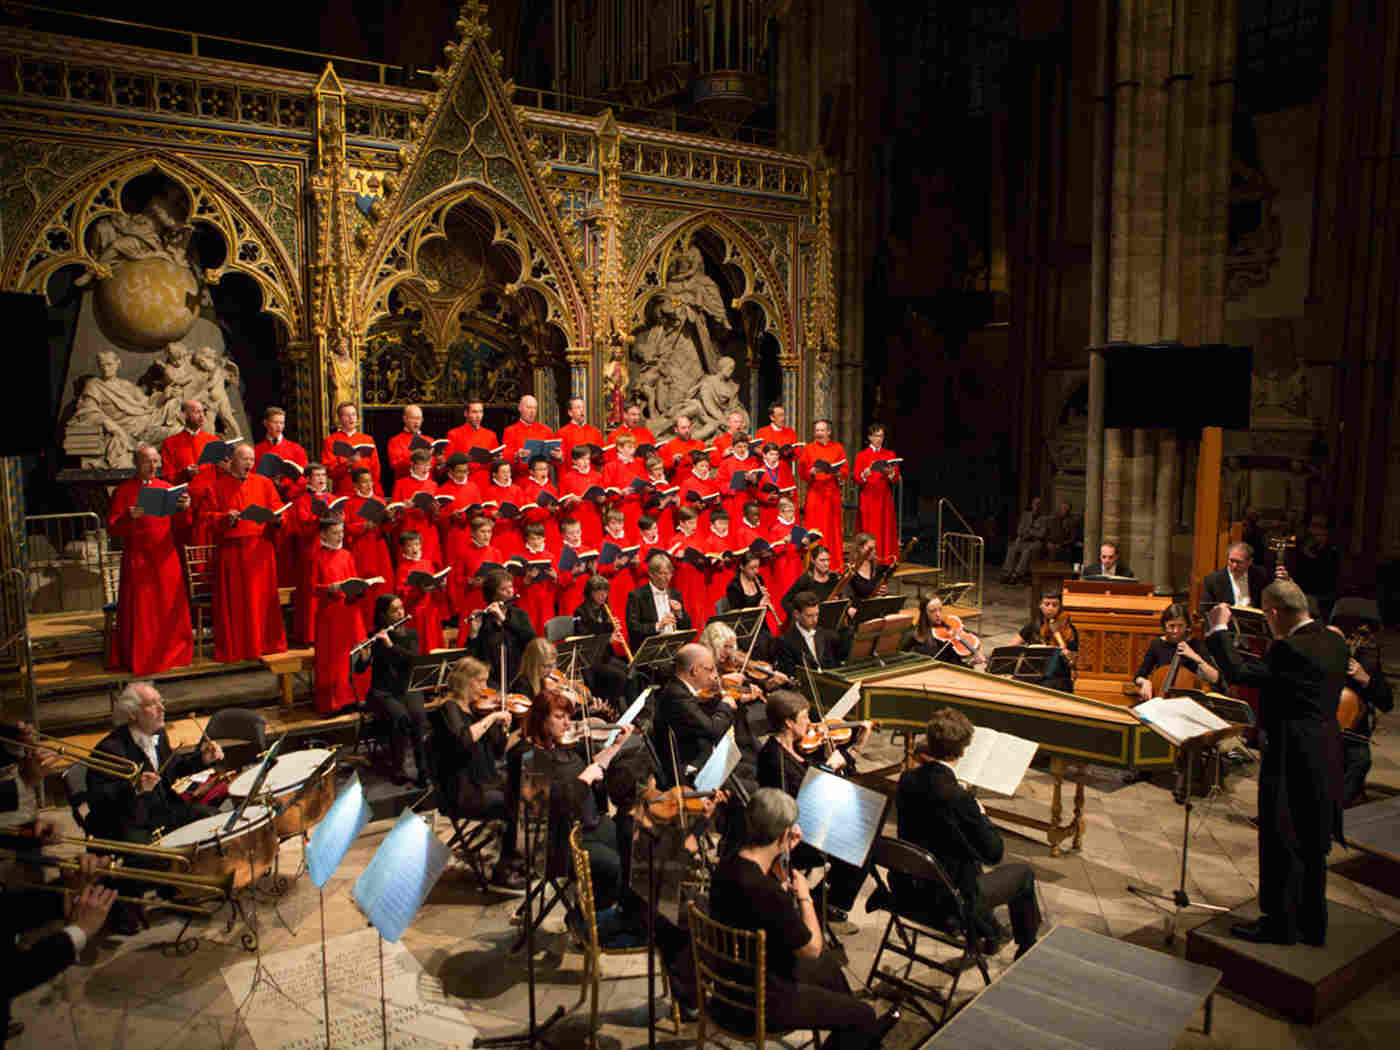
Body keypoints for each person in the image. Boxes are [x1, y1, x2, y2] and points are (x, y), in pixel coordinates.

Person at [1204, 582, 1348, 946]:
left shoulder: (1289, 648)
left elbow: (1240, 675)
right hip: (1328, 750)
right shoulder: (1335, 641)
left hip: (1291, 752)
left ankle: (1279, 925)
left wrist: (1218, 630)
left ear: (1273, 613)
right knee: (1314, 841)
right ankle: (1313, 924)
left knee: (1281, 836)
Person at [708, 789, 896, 1050]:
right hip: (763, 1001)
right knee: (863, 1015)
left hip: (727, 989)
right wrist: (806, 898)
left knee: (830, 969)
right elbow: (812, 949)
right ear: (783, 834)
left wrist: (784, 851)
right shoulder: (768, 893)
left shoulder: (727, 866)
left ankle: (862, 1042)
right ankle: (863, 1034)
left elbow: (762, 905)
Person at [895, 708, 1043, 958]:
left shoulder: (907, 780)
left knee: (963, 857)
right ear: (963, 751)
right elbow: (994, 853)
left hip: (911, 890)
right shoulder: (959, 798)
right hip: (950, 900)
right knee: (1023, 875)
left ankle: (989, 930)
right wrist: (981, 815)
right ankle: (1027, 951)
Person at [87, 681, 224, 931]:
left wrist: (201, 759)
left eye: (161, 702)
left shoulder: (158, 737)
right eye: (152, 705)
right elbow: (100, 803)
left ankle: (188, 885)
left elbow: (171, 771)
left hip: (162, 809)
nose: (162, 708)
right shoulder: (109, 750)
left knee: (210, 819)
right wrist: (135, 790)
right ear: (132, 713)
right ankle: (131, 903)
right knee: (145, 853)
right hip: (128, 820)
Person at [757, 691, 873, 923]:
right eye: (805, 718)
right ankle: (824, 904)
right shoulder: (774, 758)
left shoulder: (796, 747)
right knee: (864, 849)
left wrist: (854, 748)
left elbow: (836, 771)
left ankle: (822, 898)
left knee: (867, 836)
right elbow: (805, 796)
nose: (811, 723)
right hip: (794, 837)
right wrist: (830, 769)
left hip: (813, 820)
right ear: (789, 723)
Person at [523, 687, 635, 911]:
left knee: (632, 844)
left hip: (587, 825)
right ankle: (589, 922)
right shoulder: (531, 756)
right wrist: (585, 779)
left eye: (568, 717)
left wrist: (616, 746)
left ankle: (622, 914)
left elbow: (595, 766)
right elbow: (551, 807)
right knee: (614, 865)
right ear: (540, 719)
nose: (567, 723)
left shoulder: (561, 746)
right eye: (559, 717)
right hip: (560, 842)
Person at [430, 656, 520, 886]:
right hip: (462, 789)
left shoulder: (475, 710)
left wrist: (520, 730)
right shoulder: (447, 709)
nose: (485, 688)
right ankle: (503, 870)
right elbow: (463, 741)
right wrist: (492, 718)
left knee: (526, 795)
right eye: (480, 682)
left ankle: (513, 858)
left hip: (484, 781)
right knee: (514, 806)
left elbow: (498, 750)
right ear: (465, 682)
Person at [105, 444, 194, 674]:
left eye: (156, 461)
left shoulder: (167, 488)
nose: (153, 466)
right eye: (147, 461)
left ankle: (173, 654)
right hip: (139, 558)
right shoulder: (124, 491)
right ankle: (143, 657)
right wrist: (129, 516)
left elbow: (182, 528)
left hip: (166, 557)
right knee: (143, 611)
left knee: (168, 608)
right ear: (137, 464)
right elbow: (113, 528)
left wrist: (184, 509)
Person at [204, 443, 287, 662]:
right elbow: (206, 519)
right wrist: (225, 518)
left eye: (252, 460)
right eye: (244, 459)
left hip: (260, 549)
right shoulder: (215, 486)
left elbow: (278, 509)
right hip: (232, 551)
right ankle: (238, 647)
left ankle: (266, 644)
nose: (249, 464)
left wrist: (278, 519)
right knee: (237, 603)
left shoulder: (264, 483)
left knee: (262, 601)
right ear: (232, 460)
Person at [359, 593, 429, 786]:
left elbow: (412, 660)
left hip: (407, 688)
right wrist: (364, 658)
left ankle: (423, 770)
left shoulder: (411, 636)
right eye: (395, 610)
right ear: (384, 615)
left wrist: (390, 646)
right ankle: (398, 767)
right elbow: (359, 669)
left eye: (401, 608)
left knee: (419, 717)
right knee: (401, 717)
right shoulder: (374, 636)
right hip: (382, 692)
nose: (400, 612)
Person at [312, 516, 372, 714]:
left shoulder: (347, 554)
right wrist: (329, 588)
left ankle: (356, 698)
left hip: (350, 610)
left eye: (341, 532)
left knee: (355, 653)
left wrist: (360, 588)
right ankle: (336, 702)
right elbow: (311, 588)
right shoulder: (315, 556)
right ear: (323, 534)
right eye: (335, 533)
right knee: (334, 660)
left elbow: (353, 579)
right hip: (331, 614)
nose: (340, 537)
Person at [1330, 625, 1392, 805]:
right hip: (1318, 728)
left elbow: (1387, 703)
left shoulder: (1368, 666)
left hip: (1352, 735)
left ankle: (1337, 808)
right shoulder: (1317, 659)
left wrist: (1367, 680)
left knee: (1360, 760)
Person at [652, 642, 730, 785]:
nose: (714, 676)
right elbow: (713, 730)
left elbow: (696, 717)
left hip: (698, 752)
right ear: (694, 671)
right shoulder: (677, 696)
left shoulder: (678, 688)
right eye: (711, 669)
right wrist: (726, 705)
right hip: (691, 769)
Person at [1132, 603, 1222, 701]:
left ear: (1187, 625)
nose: (1176, 630)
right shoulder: (1157, 644)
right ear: (1164, 626)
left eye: (1180, 626)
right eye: (1171, 626)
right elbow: (1139, 676)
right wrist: (1145, 682)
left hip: (1186, 702)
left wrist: (1195, 657)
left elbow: (1215, 678)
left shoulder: (1196, 644)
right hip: (1159, 699)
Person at [571, 573, 632, 707]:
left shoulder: (604, 608)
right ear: (590, 593)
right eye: (599, 592)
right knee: (619, 676)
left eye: (605, 591)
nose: (603, 595)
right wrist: (608, 638)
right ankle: (612, 708)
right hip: (590, 660)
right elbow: (584, 637)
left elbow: (603, 630)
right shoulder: (579, 612)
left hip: (605, 656)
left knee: (631, 671)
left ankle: (627, 709)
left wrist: (612, 627)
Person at [467, 569, 537, 678]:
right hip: (491, 679)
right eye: (503, 589)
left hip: (518, 676)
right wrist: (474, 634)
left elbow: (531, 641)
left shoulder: (520, 615)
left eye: (511, 587)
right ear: (493, 595)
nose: (510, 591)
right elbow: (473, 658)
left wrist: (503, 619)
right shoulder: (484, 620)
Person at [343, 466, 396, 610]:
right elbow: (345, 528)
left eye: (370, 481)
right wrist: (364, 526)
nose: (369, 485)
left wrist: (390, 519)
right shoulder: (349, 503)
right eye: (364, 482)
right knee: (366, 587)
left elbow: (386, 529)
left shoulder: (379, 500)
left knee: (383, 586)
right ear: (355, 485)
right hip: (361, 549)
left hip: (379, 548)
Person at [797, 420, 847, 570]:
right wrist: (811, 472)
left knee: (833, 530)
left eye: (822, 430)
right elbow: (801, 472)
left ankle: (834, 565)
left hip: (832, 493)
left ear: (829, 432)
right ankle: (812, 566)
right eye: (817, 430)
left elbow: (845, 470)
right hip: (815, 493)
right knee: (814, 528)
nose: (819, 433)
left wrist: (838, 472)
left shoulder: (838, 448)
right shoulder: (808, 449)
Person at [625, 550, 692, 650]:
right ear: (651, 574)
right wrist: (658, 626)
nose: (666, 578)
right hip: (649, 650)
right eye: (662, 573)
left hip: (673, 648)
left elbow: (687, 626)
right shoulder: (637, 596)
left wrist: (679, 613)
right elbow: (633, 629)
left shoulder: (675, 594)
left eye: (669, 574)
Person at [394, 529, 447, 653]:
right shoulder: (402, 568)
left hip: (431, 612)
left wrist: (441, 586)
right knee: (420, 648)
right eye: (410, 545)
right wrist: (419, 590)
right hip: (416, 615)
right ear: (403, 548)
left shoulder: (427, 563)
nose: (414, 548)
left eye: (417, 544)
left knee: (434, 648)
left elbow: (435, 591)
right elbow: (402, 596)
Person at [775, 590, 851, 677]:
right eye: (809, 616)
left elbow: (842, 656)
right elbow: (791, 675)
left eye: (816, 615)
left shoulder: (825, 634)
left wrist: (846, 627)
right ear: (797, 614)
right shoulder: (785, 641)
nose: (815, 620)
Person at [389, 447, 445, 565]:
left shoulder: (433, 485)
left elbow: (437, 517)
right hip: (409, 530)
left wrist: (435, 510)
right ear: (413, 464)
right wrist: (404, 508)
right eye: (422, 465)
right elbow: (393, 512)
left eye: (428, 465)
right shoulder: (401, 484)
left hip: (428, 532)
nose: (426, 468)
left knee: (428, 568)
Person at [854, 423, 899, 560]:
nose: (879, 439)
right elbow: (856, 477)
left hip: (884, 497)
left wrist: (891, 473)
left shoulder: (889, 454)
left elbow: (895, 478)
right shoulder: (862, 455)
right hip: (868, 496)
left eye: (881, 436)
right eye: (876, 436)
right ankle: (867, 557)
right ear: (870, 437)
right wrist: (864, 474)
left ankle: (885, 557)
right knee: (869, 527)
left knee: (885, 529)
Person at [1018, 590, 1077, 692]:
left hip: (1058, 676)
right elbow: (1012, 646)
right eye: (1047, 604)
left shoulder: (1069, 630)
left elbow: (1073, 661)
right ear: (1040, 606)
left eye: (1055, 605)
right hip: (1034, 672)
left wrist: (1064, 649)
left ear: (1060, 607)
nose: (1050, 608)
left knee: (1048, 686)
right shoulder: (1033, 626)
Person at [905, 596, 986, 668]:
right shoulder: (916, 634)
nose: (938, 614)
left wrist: (972, 663)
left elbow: (956, 665)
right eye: (933, 611)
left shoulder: (948, 629)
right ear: (924, 614)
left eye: (940, 609)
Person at [321, 400, 383, 496]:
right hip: (344, 491)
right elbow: (330, 472)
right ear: (340, 419)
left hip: (366, 492)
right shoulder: (331, 441)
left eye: (354, 414)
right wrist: (347, 464)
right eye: (347, 415)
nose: (351, 418)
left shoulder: (367, 439)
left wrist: (374, 490)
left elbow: (375, 469)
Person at [726, 550, 782, 642]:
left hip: (761, 626)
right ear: (741, 566)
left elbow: (764, 610)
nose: (756, 571)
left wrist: (767, 603)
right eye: (752, 568)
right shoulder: (734, 587)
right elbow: (738, 616)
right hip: (746, 631)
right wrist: (759, 607)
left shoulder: (758, 579)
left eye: (757, 567)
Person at [503, 394, 559, 482]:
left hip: (543, 481)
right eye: (529, 408)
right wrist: (516, 455)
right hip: (522, 481)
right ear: (520, 408)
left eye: (535, 408)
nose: (532, 411)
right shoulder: (510, 431)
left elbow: (555, 462)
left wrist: (558, 456)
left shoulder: (546, 430)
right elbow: (505, 459)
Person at [559, 444, 606, 547]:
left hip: (593, 518)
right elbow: (562, 503)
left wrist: (601, 499)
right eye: (582, 459)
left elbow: (602, 499)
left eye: (588, 459)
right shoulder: (567, 478)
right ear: (574, 461)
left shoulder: (596, 476)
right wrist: (571, 500)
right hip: (576, 520)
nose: (586, 462)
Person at [445, 399, 500, 489]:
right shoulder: (454, 434)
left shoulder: (490, 435)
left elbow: (496, 461)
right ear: (466, 413)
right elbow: (449, 461)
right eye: (474, 412)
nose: (478, 416)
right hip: (463, 482)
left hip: (485, 482)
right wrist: (464, 458)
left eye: (480, 412)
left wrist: (497, 458)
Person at [780, 545, 842, 621]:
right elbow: (785, 602)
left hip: (829, 621)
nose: (826, 564)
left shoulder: (833, 578)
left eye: (828, 560)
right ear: (813, 560)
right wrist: (801, 617)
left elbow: (841, 598)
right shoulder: (806, 579)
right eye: (822, 560)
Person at [1202, 542, 1272, 608]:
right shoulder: (1213, 580)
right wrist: (1219, 609)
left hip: (1253, 619)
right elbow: (1205, 609)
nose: (1234, 566)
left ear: (1250, 562)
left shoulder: (1260, 575)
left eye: (1239, 562)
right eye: (1231, 561)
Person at [387, 403, 443, 481]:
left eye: (419, 418)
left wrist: (440, 463)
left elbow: (435, 471)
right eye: (413, 418)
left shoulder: (430, 440)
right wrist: (415, 454)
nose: (416, 422)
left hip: (428, 485)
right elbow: (396, 466)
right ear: (405, 419)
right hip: (406, 484)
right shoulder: (395, 441)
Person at [1000, 497, 1047, 585]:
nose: (1036, 506)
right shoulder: (1026, 515)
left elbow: (1041, 534)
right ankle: (1006, 573)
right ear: (1032, 505)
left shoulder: (1044, 519)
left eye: (1038, 504)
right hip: (1023, 539)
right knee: (1012, 548)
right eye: (1035, 504)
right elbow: (1019, 530)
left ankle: (1016, 574)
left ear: (1041, 506)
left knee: (1027, 551)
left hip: (1036, 542)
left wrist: (1029, 532)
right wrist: (1028, 533)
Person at [558, 394, 604, 466]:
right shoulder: (562, 433)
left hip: (592, 474)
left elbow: (602, 458)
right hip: (572, 474)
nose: (582, 410)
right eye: (578, 408)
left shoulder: (595, 432)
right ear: (570, 413)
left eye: (583, 407)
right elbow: (560, 461)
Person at [846, 532, 890, 601]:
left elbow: (881, 591)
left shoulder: (877, 568)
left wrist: (884, 591)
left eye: (875, 548)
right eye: (870, 549)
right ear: (860, 548)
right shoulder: (850, 570)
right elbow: (848, 596)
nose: (874, 551)